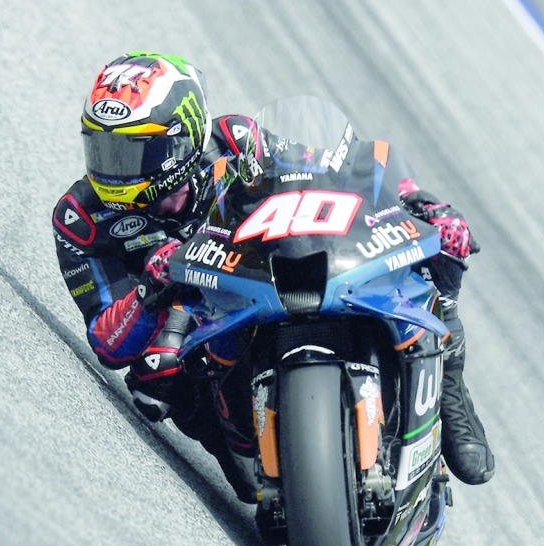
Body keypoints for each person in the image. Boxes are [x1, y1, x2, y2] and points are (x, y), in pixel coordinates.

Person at [52, 53, 494, 506]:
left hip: (263, 281)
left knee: (426, 260)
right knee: (155, 379)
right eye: (101, 149)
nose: (112, 170)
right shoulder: (79, 219)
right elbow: (107, 341)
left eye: (129, 153)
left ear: (179, 143)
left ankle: (450, 391)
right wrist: (149, 290)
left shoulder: (236, 141)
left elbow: (331, 171)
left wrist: (413, 200)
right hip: (188, 328)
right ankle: (251, 454)